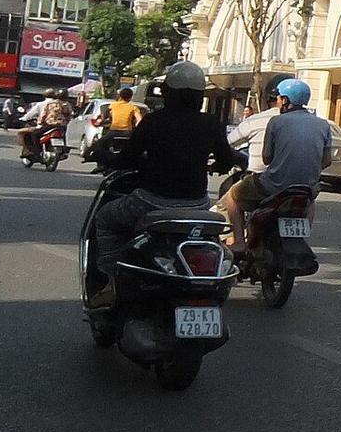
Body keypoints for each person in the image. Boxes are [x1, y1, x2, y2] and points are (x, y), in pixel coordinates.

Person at [90, 62, 242, 306]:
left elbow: (126, 160)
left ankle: (110, 282)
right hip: (197, 205)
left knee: (105, 220)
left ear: (169, 93)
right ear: (198, 95)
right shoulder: (211, 123)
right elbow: (225, 160)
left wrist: (102, 154)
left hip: (151, 202)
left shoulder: (154, 121)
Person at [215, 78, 334, 253]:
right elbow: (327, 160)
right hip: (308, 187)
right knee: (309, 202)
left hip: (274, 186)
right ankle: (301, 240)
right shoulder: (323, 125)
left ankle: (239, 242)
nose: (277, 101)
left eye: (278, 98)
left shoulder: (276, 122)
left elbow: (267, 158)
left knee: (233, 195)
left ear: (285, 100)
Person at [18, 93, 71, 159]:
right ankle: (64, 152)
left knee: (35, 135)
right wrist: (64, 122)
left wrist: (40, 122)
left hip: (50, 125)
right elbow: (69, 116)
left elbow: (43, 115)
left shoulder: (50, 104)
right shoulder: (67, 105)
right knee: (64, 136)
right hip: (62, 126)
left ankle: (37, 153)